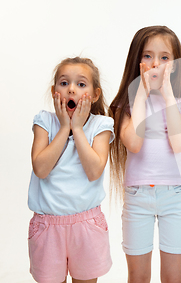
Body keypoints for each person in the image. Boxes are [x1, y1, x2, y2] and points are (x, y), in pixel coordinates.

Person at [109, 26, 181, 283]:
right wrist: (140, 94)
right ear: (136, 61)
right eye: (147, 56)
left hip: (174, 197)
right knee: (138, 276)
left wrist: (167, 93)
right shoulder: (125, 106)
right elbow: (134, 143)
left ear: (175, 65)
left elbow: (179, 143)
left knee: (173, 276)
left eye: (164, 58)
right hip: (138, 198)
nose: (155, 63)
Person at [28, 57, 114, 283]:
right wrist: (64, 126)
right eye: (64, 83)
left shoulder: (101, 125)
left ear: (95, 95)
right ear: (53, 90)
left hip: (86, 225)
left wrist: (77, 128)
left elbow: (94, 170)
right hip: (48, 228)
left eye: (81, 84)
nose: (71, 89)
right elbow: (40, 168)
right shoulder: (45, 122)